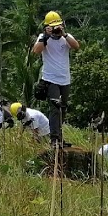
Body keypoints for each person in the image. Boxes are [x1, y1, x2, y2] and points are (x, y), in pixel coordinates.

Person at [31, 10, 79, 147]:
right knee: (55, 109)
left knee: (62, 110)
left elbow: (76, 46)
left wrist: (63, 34)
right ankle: (54, 139)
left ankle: (60, 137)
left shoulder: (66, 38)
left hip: (65, 80)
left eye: (58, 26)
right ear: (46, 27)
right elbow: (36, 50)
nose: (56, 29)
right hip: (50, 79)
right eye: (53, 27)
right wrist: (47, 35)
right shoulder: (43, 37)